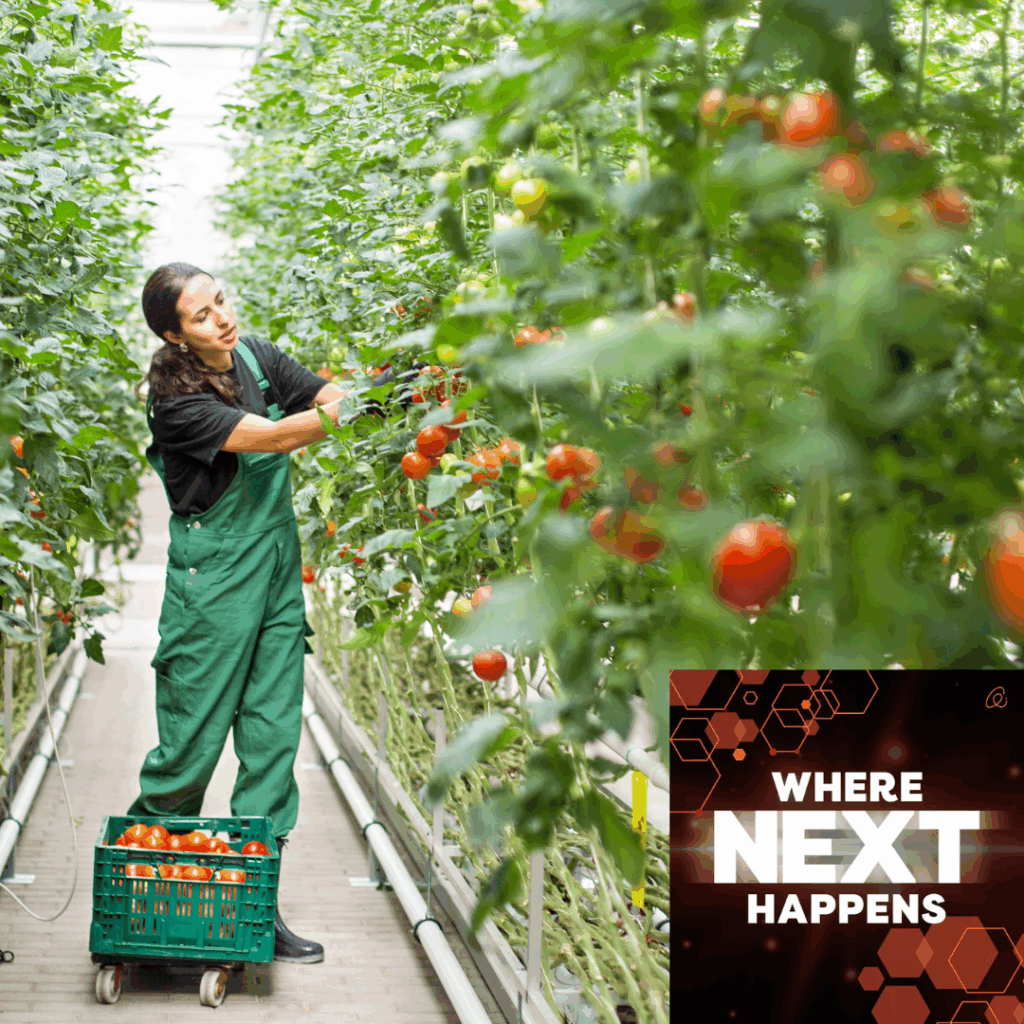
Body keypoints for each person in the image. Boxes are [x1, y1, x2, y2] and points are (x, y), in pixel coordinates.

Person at [126, 262, 358, 964]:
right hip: (215, 585)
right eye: (201, 315)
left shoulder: (255, 355)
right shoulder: (175, 402)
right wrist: (348, 411)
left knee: (271, 742)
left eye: (220, 301)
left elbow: (325, 392)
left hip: (278, 579)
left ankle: (255, 908)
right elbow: (275, 436)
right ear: (174, 334)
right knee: (189, 748)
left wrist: (352, 396)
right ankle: (147, 907)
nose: (222, 318)